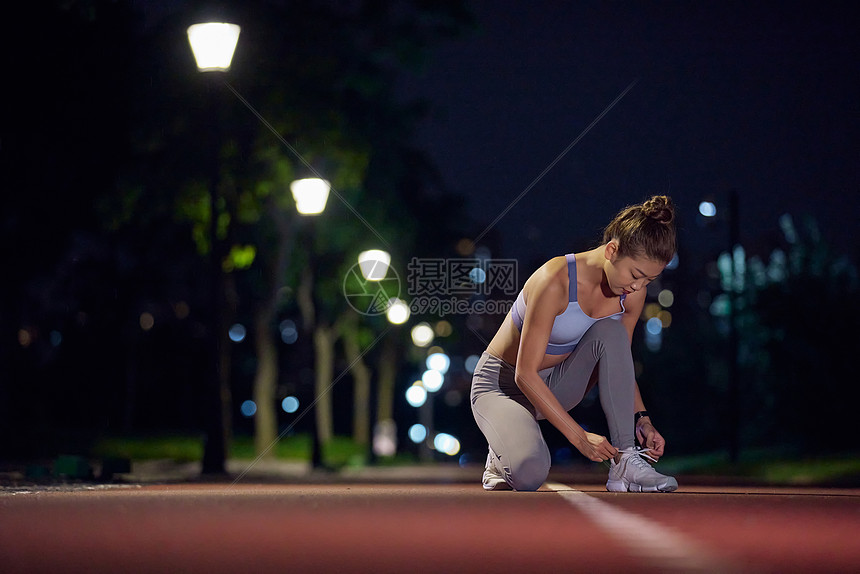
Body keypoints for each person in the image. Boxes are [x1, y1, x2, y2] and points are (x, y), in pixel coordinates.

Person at [470, 195, 678, 492]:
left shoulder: (630, 295)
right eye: (636, 275)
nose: (638, 287)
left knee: (613, 332)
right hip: (502, 385)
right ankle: (502, 453)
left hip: (557, 384)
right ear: (612, 250)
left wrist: (642, 419)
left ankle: (626, 462)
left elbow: (621, 361)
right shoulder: (555, 280)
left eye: (649, 281)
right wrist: (580, 437)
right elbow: (524, 374)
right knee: (528, 475)